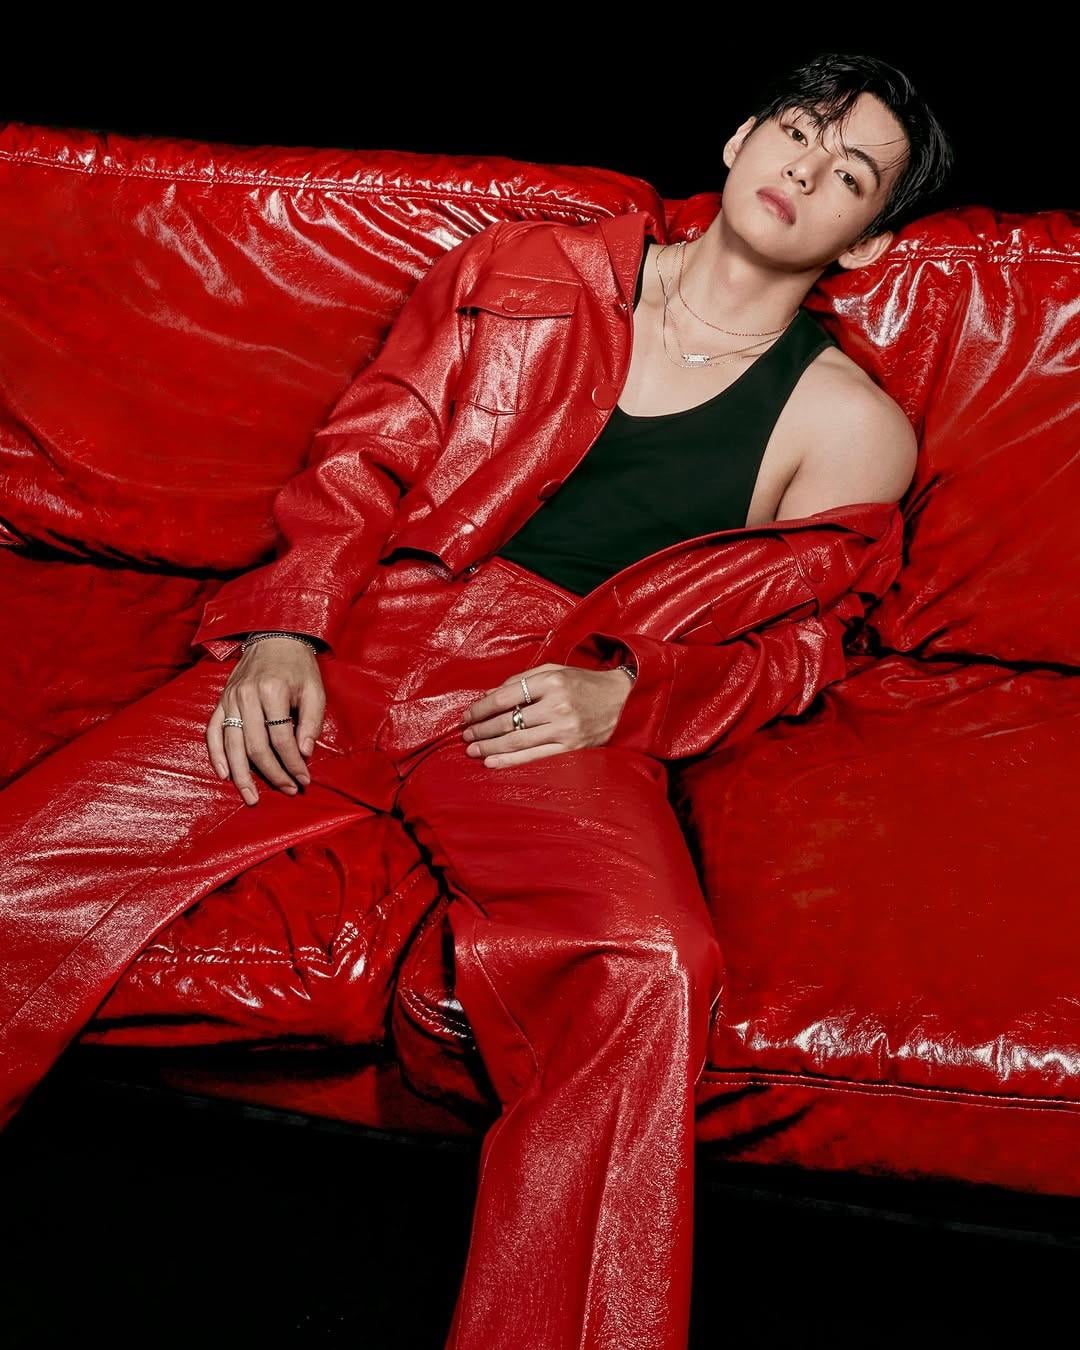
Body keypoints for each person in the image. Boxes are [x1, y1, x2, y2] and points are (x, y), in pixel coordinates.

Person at [1, 50, 953, 1350]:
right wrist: (286, 624)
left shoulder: (850, 425)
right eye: (798, 129)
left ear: (867, 240)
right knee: (28, 864)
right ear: (740, 137)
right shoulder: (525, 271)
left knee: (646, 962)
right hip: (364, 633)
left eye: (850, 174)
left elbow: (805, 646)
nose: (805, 167)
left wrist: (633, 697)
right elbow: (368, 451)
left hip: (546, 697)